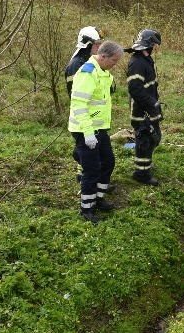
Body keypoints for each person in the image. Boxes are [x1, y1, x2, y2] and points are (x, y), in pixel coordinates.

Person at [68, 41, 123, 223]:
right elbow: (79, 104)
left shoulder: (103, 72)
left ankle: (98, 198)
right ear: (103, 56)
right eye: (113, 61)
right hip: (85, 130)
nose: (115, 64)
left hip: (99, 128)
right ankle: (87, 208)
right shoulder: (87, 72)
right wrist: (88, 132)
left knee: (108, 161)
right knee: (91, 169)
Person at [64, 26, 104, 185]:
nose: (99, 48)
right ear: (87, 45)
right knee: (84, 151)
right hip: (83, 117)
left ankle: (86, 176)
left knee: (92, 151)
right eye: (96, 44)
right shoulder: (77, 65)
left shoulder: (89, 62)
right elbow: (77, 97)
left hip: (93, 116)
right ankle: (85, 179)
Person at [126, 29, 163, 186]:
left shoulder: (145, 60)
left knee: (154, 138)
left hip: (150, 108)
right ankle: (141, 173)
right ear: (147, 45)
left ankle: (145, 166)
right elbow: (135, 89)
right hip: (141, 111)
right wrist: (151, 104)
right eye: (153, 44)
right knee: (145, 141)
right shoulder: (137, 63)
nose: (154, 47)